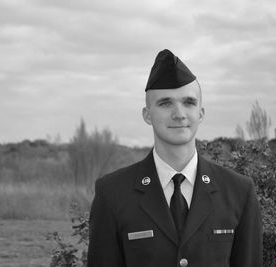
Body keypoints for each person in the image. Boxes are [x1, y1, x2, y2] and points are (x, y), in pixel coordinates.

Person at [87, 49, 263, 267]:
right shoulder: (113, 194)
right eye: (165, 103)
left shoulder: (238, 192)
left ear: (201, 113)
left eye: (189, 102)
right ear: (147, 114)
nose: (179, 113)